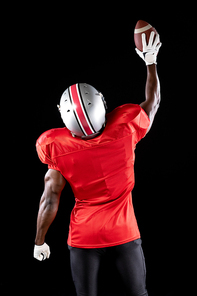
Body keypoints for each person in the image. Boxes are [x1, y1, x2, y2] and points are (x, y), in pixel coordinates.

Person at [34, 31, 161, 296]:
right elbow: (153, 102)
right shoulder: (125, 128)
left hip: (84, 237)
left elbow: (49, 200)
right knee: (139, 294)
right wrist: (151, 61)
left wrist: (39, 241)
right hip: (124, 231)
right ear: (102, 105)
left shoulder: (55, 146)